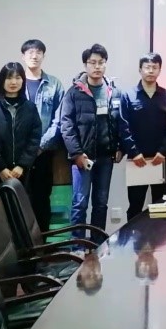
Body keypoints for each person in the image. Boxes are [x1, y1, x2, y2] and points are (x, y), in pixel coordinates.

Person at [61, 44, 122, 242]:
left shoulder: (113, 92)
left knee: (101, 203)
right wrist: (77, 154)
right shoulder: (73, 93)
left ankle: (97, 246)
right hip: (83, 158)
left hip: (106, 158)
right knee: (80, 203)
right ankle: (77, 247)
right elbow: (66, 126)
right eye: (92, 62)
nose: (97, 67)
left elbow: (120, 123)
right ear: (85, 65)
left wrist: (119, 148)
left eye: (101, 63)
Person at [119, 53, 166, 222]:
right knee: (135, 206)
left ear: (159, 70)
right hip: (137, 161)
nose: (151, 71)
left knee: (161, 206)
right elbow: (123, 127)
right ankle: (133, 239)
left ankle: (160, 239)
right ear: (140, 70)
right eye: (147, 67)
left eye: (154, 67)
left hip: (161, 159)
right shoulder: (128, 95)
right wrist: (134, 153)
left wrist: (163, 152)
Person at [22, 39, 66, 233]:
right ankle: (24, 245)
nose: (34, 56)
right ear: (23, 56)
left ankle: (44, 244)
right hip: (19, 154)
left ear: (43, 56)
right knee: (19, 199)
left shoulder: (54, 84)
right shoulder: (16, 81)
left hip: (43, 152)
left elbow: (59, 119)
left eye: (38, 52)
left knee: (42, 198)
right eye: (30, 52)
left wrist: (40, 146)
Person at [0, 62, 41, 187]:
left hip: (23, 171)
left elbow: (34, 139)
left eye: (17, 78)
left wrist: (22, 165)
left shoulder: (30, 108)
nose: (13, 82)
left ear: (23, 80)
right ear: (2, 81)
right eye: (9, 78)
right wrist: (0, 167)